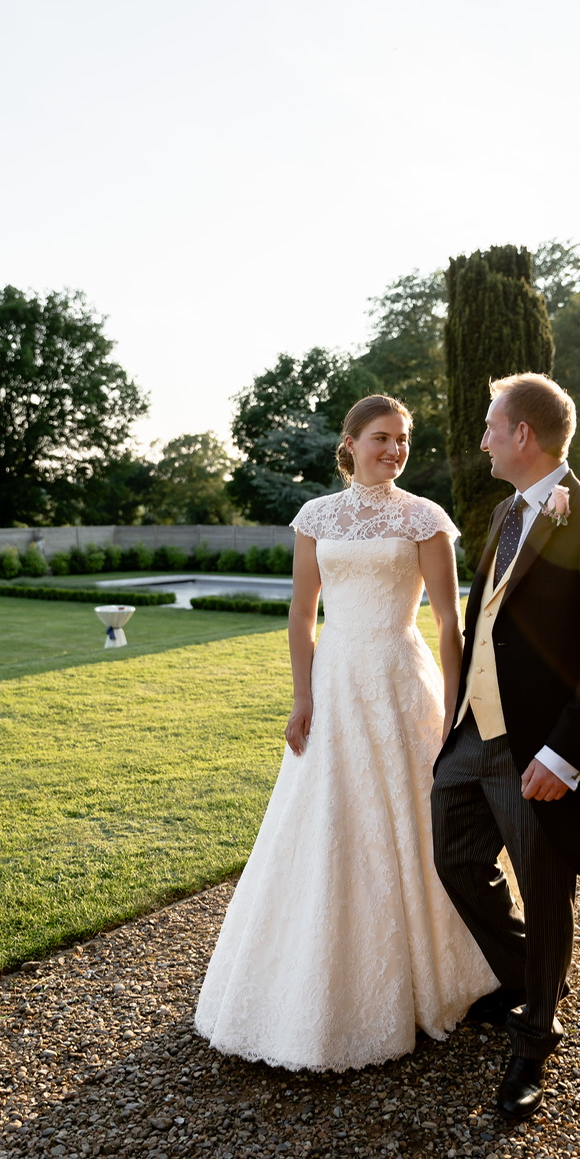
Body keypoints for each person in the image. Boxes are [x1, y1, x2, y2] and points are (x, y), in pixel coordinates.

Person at [195, 394, 497, 1071]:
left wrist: (453, 708)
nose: (394, 449)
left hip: (399, 680)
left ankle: (442, 971)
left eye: (403, 439)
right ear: (351, 442)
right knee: (329, 818)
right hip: (334, 683)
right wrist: (302, 697)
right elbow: (302, 614)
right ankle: (308, 982)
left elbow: (449, 622)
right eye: (381, 437)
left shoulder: (424, 517)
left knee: (412, 816)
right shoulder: (315, 516)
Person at [431, 373, 580, 1121]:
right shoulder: (503, 512)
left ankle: (535, 1037)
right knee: (454, 860)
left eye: (491, 426)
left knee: (546, 892)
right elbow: (489, 622)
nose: (483, 439)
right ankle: (527, 974)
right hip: (473, 735)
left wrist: (562, 757)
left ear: (523, 433)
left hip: (538, 750)